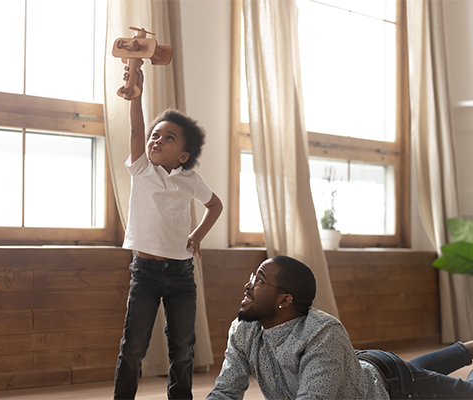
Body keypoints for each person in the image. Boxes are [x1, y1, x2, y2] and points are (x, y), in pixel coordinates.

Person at [206, 255, 473, 399]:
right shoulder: (244, 330)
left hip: (391, 387)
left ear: (285, 300)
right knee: (416, 371)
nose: (248, 284)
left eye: (259, 280)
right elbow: (226, 391)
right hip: (360, 365)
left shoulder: (322, 332)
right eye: (252, 277)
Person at [113, 65, 223, 400]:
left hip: (181, 275)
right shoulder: (142, 169)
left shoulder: (190, 180)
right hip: (144, 273)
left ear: (184, 155)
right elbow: (135, 130)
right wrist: (137, 95)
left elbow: (215, 205)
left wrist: (197, 235)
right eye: (155, 135)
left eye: (168, 137)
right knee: (133, 348)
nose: (156, 139)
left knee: (183, 349)